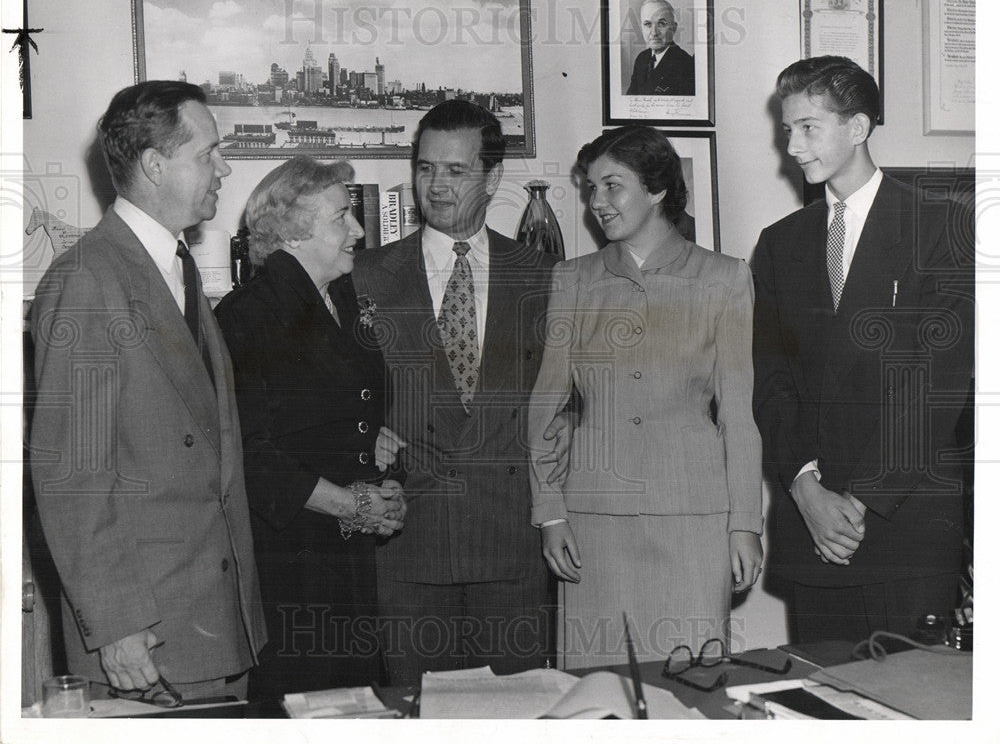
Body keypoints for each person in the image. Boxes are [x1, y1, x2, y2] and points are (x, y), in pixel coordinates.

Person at [29, 81, 266, 700]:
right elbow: (71, 475)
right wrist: (116, 627)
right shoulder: (87, 279)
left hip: (209, 622)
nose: (225, 166)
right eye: (209, 152)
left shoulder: (173, 266)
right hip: (148, 646)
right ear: (155, 165)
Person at [751, 56, 974, 643]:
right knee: (819, 708)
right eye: (786, 129)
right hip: (812, 527)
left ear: (858, 127)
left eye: (808, 127)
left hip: (906, 526)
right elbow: (773, 382)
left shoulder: (941, 229)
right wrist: (805, 488)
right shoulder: (780, 244)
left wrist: (859, 502)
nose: (793, 146)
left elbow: (938, 385)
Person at [529, 125, 763, 669]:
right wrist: (550, 512)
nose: (597, 203)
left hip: (695, 519)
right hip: (594, 521)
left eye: (613, 186)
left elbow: (739, 416)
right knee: (595, 692)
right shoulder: (573, 280)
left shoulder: (725, 279)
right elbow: (546, 404)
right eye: (591, 188)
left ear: (657, 189)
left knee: (692, 688)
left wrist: (745, 524)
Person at [352, 100, 560, 685]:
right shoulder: (366, 276)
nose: (436, 186)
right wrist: (367, 433)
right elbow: (335, 400)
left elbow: (570, 399)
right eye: (425, 168)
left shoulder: (542, 277)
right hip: (408, 544)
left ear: (492, 177)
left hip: (513, 547)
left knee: (517, 719)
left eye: (456, 170)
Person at [214, 157, 408, 713]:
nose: (360, 231)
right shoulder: (247, 315)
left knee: (352, 704)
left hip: (346, 556)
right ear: (293, 231)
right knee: (304, 704)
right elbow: (252, 453)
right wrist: (354, 503)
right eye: (342, 217)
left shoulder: (340, 298)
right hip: (291, 562)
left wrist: (378, 462)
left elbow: (345, 409)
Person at [626, 0, 695, 96]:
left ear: (674, 28)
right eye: (648, 24)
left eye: (661, 24)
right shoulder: (641, 58)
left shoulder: (686, 65)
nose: (654, 33)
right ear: (642, 28)